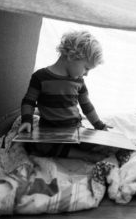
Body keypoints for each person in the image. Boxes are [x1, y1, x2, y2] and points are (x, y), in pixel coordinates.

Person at [18, 30, 110, 158]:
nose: (86, 74)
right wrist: (26, 120)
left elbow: (87, 105)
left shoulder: (79, 81)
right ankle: (84, 155)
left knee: (98, 143)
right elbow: (29, 101)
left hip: (74, 128)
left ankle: (79, 150)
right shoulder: (40, 77)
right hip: (49, 130)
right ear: (72, 56)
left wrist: (99, 125)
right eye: (86, 68)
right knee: (36, 147)